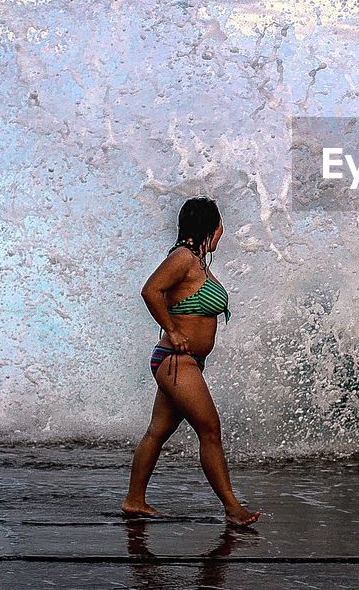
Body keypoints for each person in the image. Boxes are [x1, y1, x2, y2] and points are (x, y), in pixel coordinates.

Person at [121, 197, 260, 526]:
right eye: (221, 225)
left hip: (186, 362)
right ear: (211, 227)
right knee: (210, 429)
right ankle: (232, 507)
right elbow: (150, 290)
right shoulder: (182, 258)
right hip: (176, 361)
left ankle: (134, 500)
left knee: (157, 432)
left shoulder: (198, 262)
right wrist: (172, 330)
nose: (223, 231)